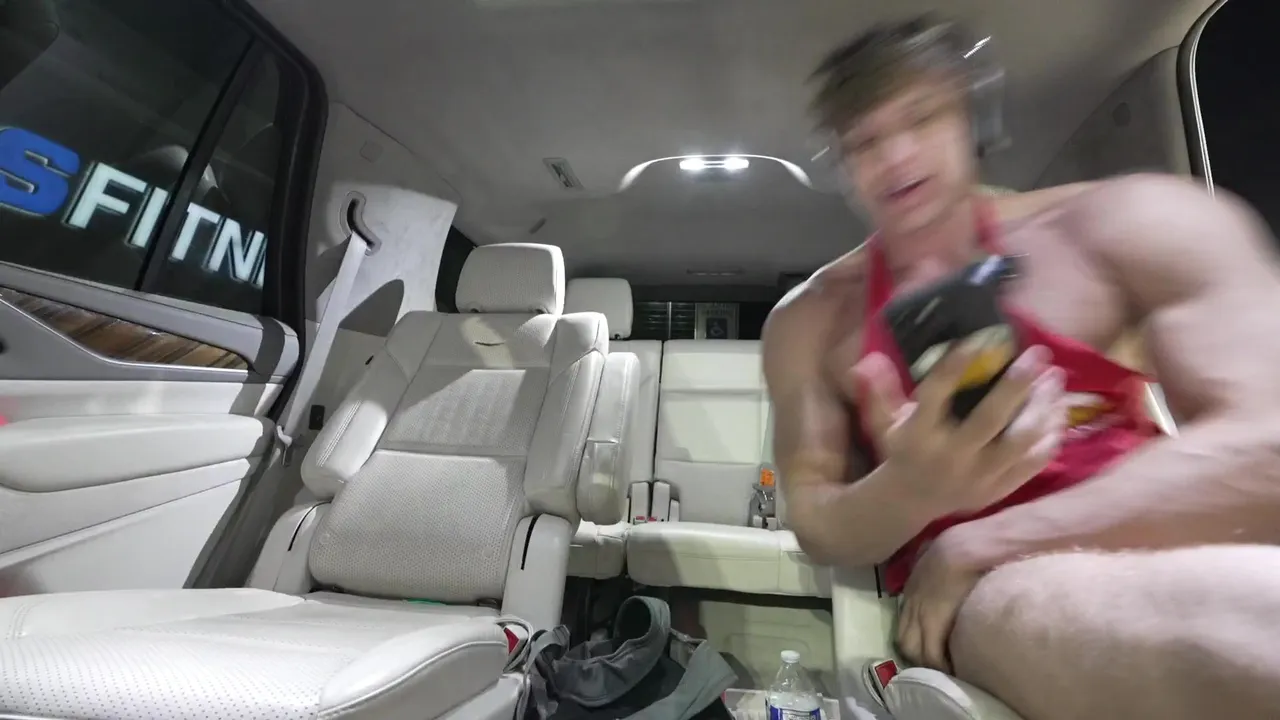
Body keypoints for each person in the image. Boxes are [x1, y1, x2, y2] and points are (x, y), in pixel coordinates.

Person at [764, 15, 1280, 720]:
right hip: (1005, 594)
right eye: (865, 141)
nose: (896, 155)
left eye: (921, 117)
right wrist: (911, 490)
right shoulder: (812, 320)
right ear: (843, 165)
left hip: (1147, 528)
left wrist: (981, 540)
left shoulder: (1130, 221)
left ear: (973, 119)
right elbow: (817, 521)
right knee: (1237, 634)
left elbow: (1268, 447)